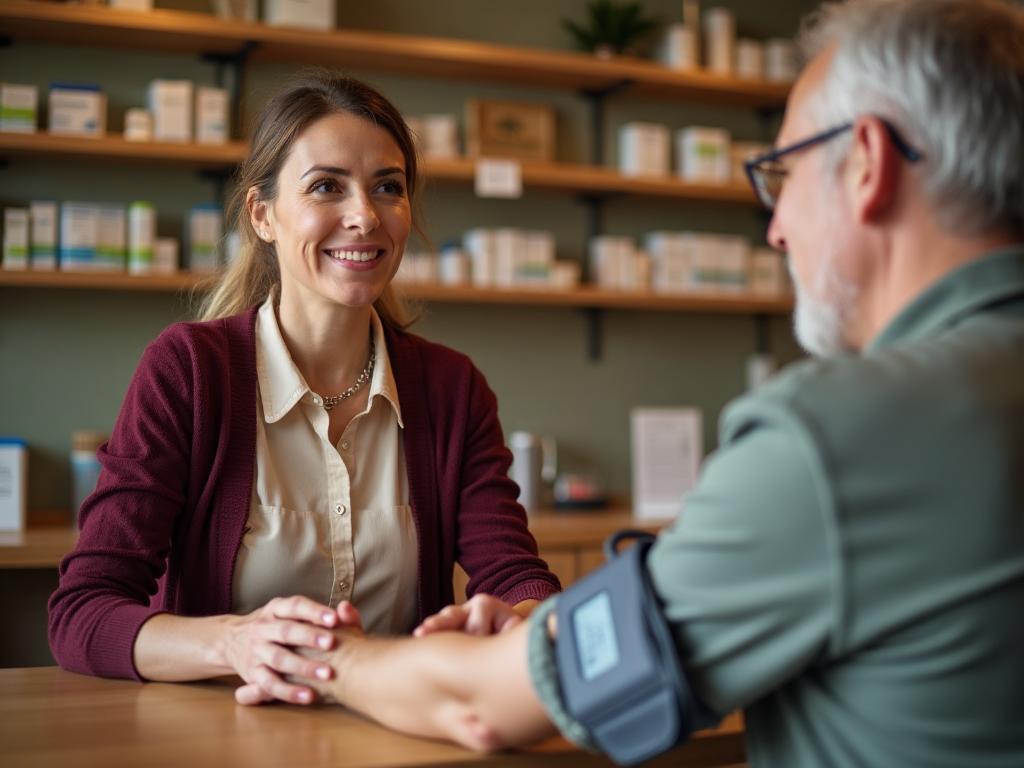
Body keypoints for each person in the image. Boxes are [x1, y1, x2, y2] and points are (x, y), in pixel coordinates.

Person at [292, 1, 1024, 764]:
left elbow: (489, 704)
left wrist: (333, 655)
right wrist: (561, 636)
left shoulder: (837, 438)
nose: (776, 229)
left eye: (785, 173)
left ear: (867, 161)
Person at [47, 71, 560, 707]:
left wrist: (520, 620)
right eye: (326, 187)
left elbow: (516, 576)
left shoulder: (452, 387)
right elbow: (84, 612)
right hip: (220, 737)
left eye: (388, 188)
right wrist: (233, 642)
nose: (364, 216)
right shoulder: (189, 370)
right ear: (263, 215)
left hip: (403, 733)